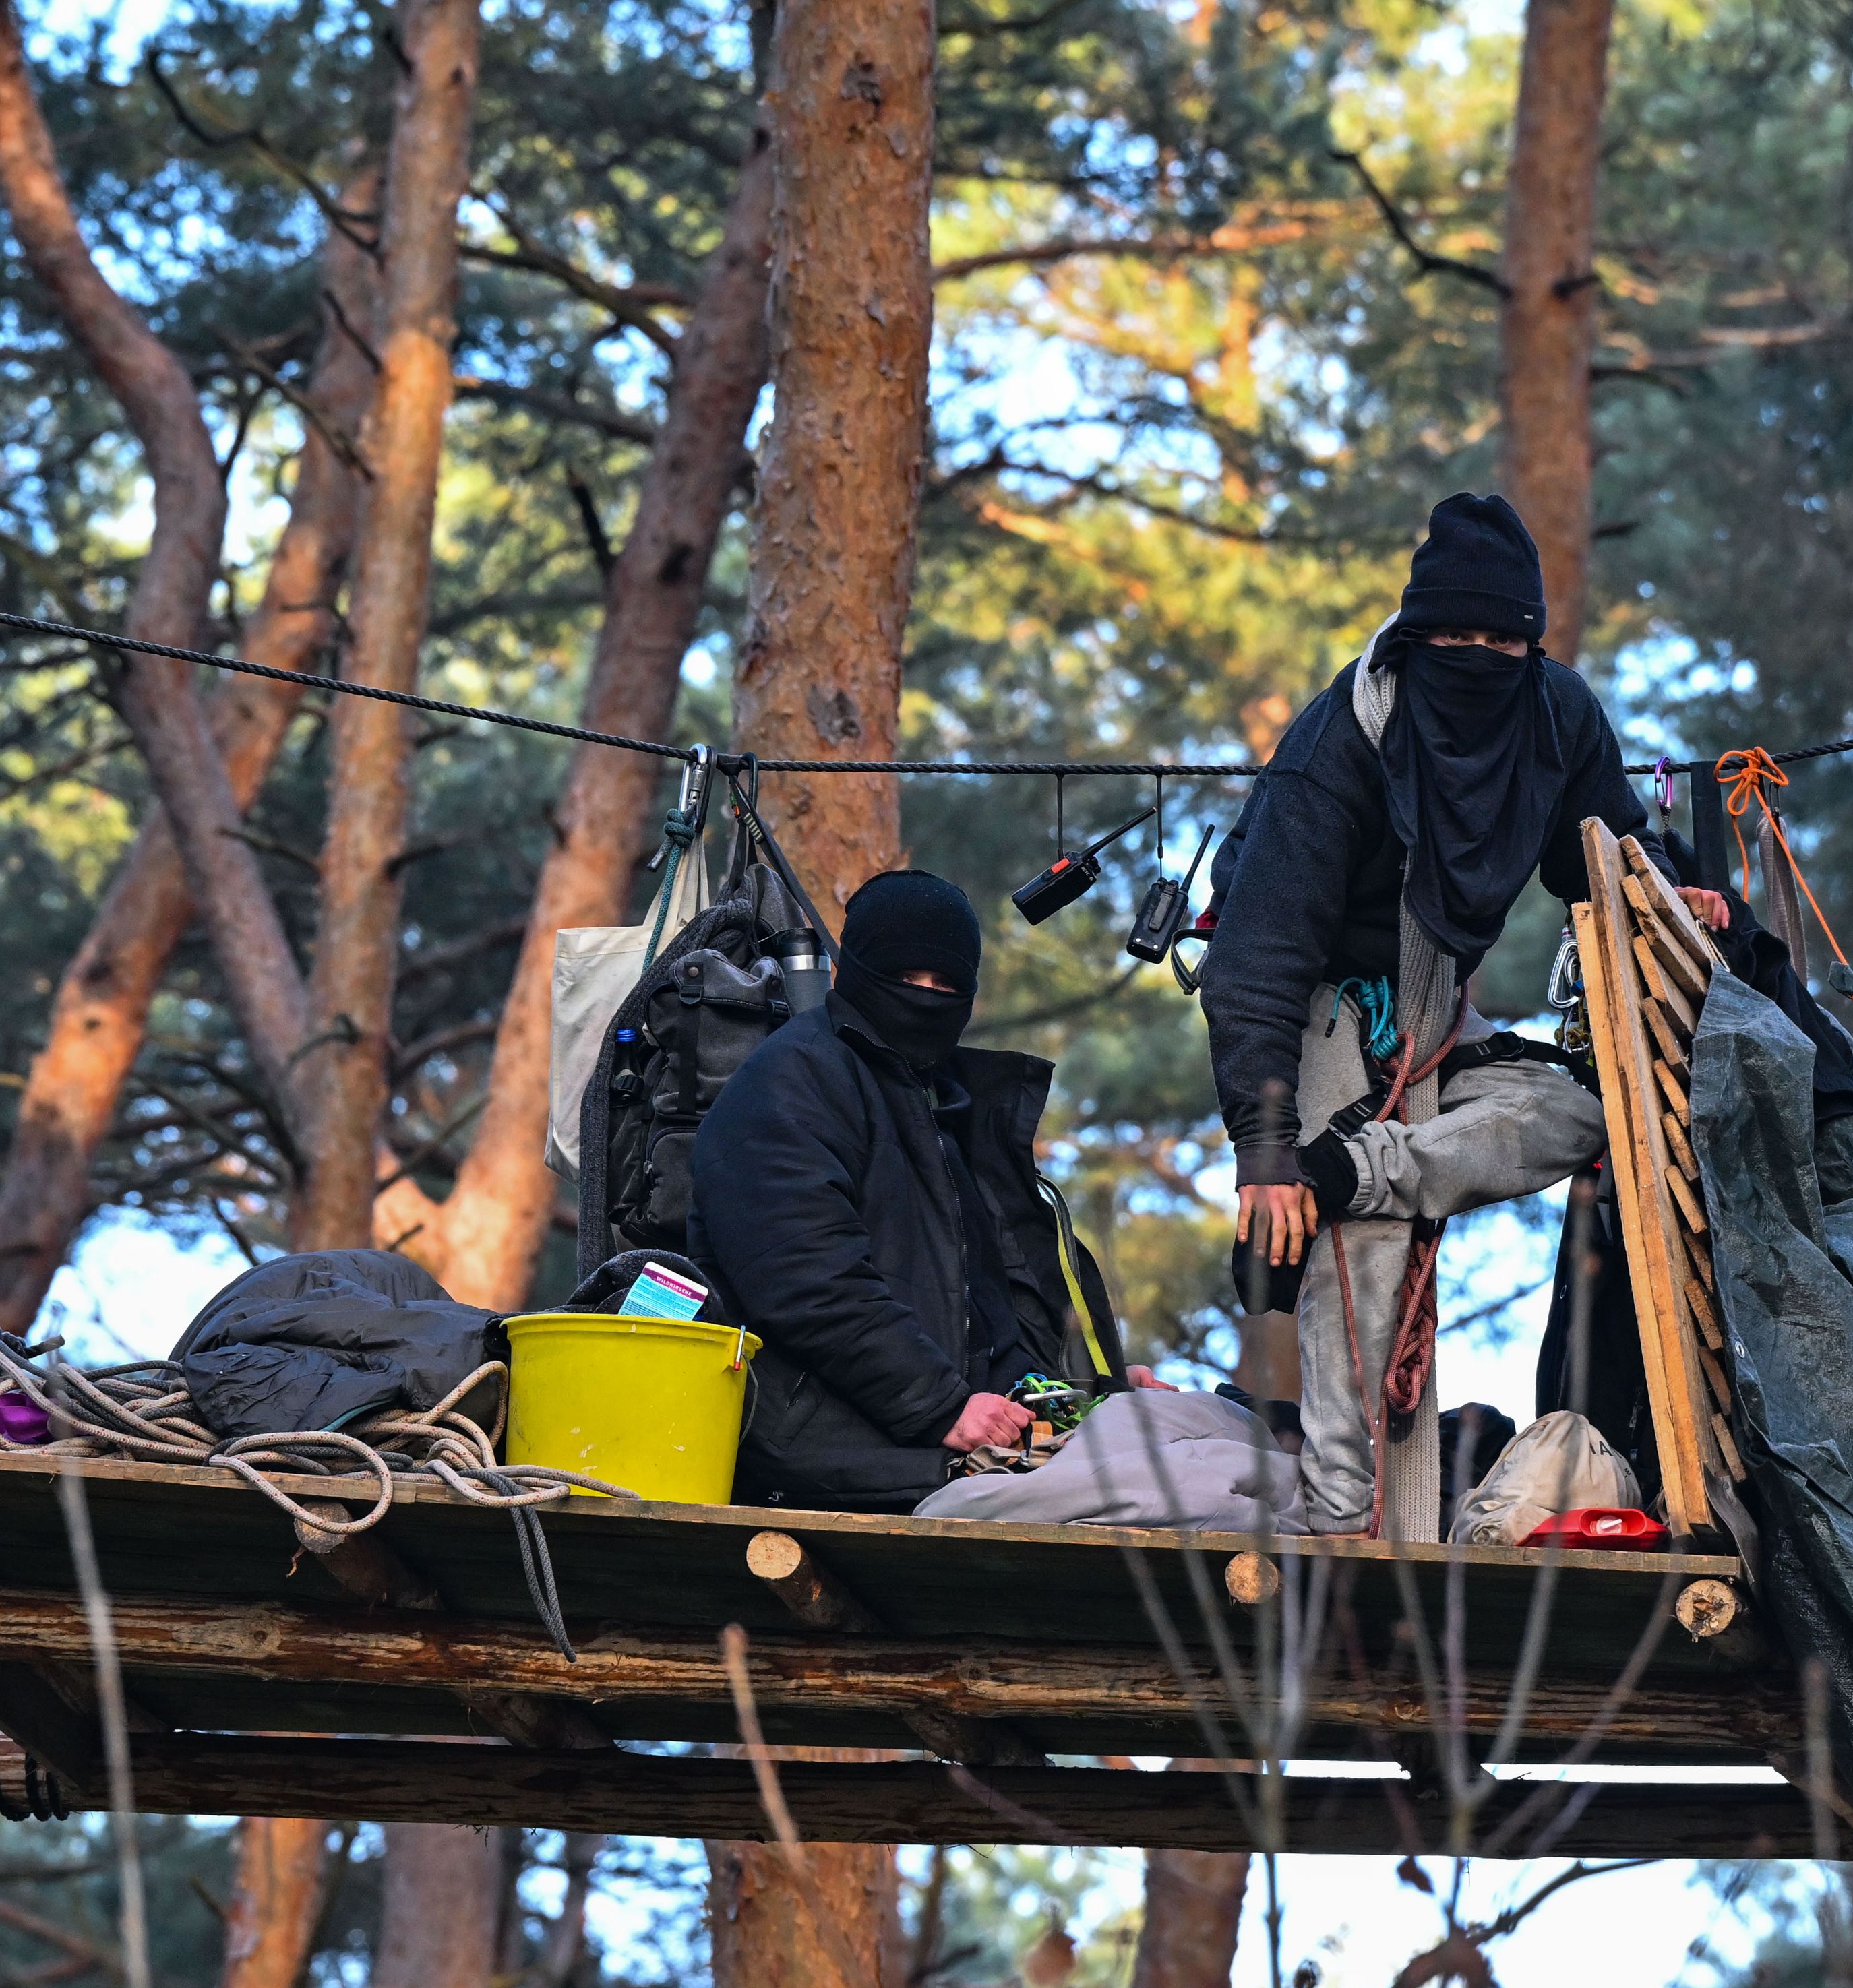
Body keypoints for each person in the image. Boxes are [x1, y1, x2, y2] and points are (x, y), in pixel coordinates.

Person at [1197, 491, 1732, 1539]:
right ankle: (1340, 1526)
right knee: (1366, 1250)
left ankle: (1353, 1165)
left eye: (1503, 636)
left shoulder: (1556, 714)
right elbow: (1256, 961)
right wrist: (1267, 1150)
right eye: (1454, 635)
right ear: (1414, 635)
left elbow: (1605, 846)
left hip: (1441, 1008)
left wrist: (1671, 890)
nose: (1479, 654)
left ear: (1531, 641)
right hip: (1321, 1007)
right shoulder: (1338, 746)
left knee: (1590, 1114)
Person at [684, 869, 1126, 1512]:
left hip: (949, 1446)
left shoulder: (950, 1106)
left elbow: (992, 1312)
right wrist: (941, 1407)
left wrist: (1089, 1389)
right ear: (854, 969)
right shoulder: (789, 1082)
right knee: (1197, 1491)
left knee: (1233, 1429)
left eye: (947, 985)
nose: (926, 998)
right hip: (830, 1451)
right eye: (906, 977)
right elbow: (808, 1281)